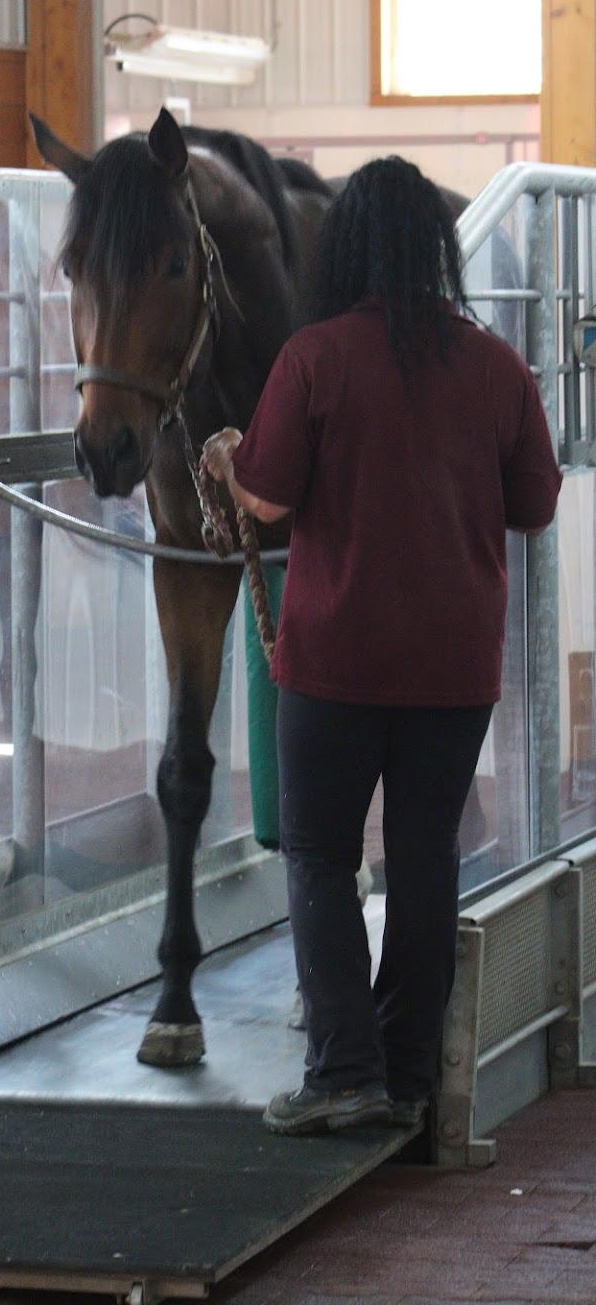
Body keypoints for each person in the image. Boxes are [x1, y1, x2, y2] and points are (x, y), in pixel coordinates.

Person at [202, 156, 562, 1136]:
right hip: (453, 666)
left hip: (333, 661)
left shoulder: (313, 359)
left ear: (345, 247)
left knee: (319, 859)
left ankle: (341, 1072)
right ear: (437, 249)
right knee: (423, 858)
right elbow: (533, 508)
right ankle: (407, 1073)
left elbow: (267, 501)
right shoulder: (496, 366)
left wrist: (229, 463)